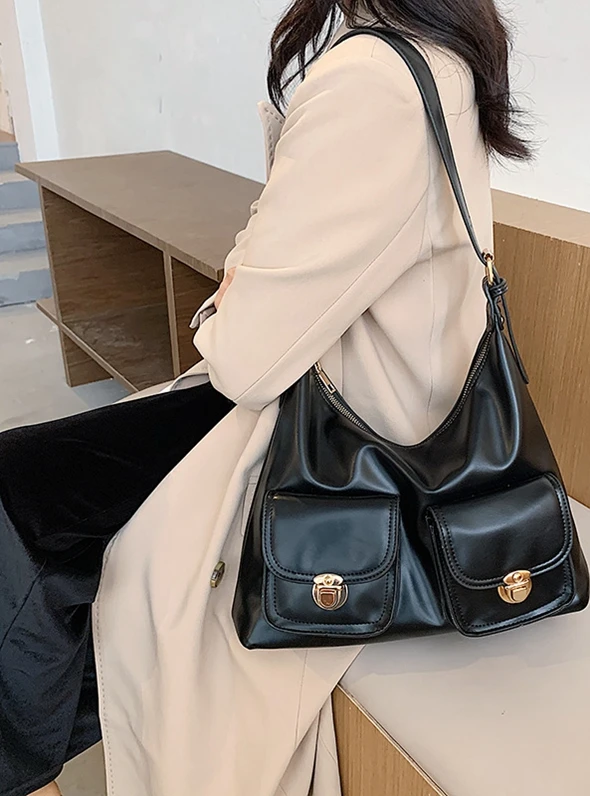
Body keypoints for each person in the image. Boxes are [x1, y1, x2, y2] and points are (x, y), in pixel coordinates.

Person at [0, 1, 531, 794]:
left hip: (343, 440)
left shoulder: (372, 80)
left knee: (25, 503)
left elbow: (244, 361)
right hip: (402, 414)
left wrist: (223, 305)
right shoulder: (443, 54)